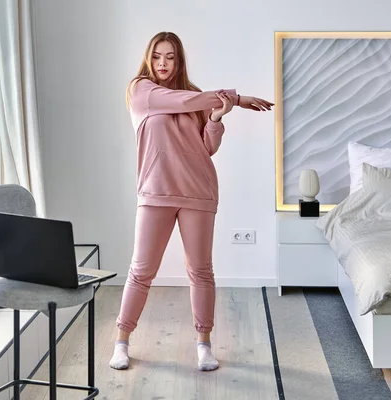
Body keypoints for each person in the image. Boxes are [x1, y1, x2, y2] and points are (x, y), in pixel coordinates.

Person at [109, 31, 273, 372]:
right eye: (157, 56)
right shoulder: (141, 90)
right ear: (148, 58)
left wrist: (216, 117)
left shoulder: (198, 97)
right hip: (156, 192)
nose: (163, 63)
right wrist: (237, 98)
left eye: (170, 57)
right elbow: (180, 103)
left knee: (200, 271)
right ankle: (122, 342)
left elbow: (207, 147)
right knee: (141, 271)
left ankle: (204, 344)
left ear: (179, 60)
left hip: (198, 190)